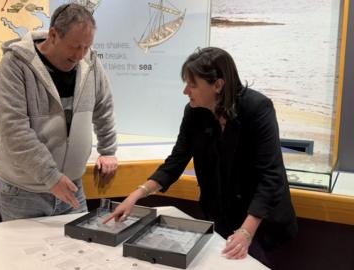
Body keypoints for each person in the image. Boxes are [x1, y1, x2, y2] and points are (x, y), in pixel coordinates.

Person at [105, 47, 297, 267]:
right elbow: (177, 160)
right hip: (221, 216)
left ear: (218, 85)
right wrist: (136, 195)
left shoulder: (258, 109)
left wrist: (246, 231)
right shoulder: (194, 112)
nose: (186, 91)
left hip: (260, 224)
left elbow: (270, 176)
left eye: (192, 84)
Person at [0, 3, 117, 221]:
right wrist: (50, 177)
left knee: (75, 253)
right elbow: (14, 130)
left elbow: (104, 106)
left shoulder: (91, 63)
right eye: (74, 46)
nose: (80, 55)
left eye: (86, 47)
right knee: (25, 255)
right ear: (53, 35)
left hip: (72, 187)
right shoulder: (16, 64)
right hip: (23, 193)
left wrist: (107, 149)